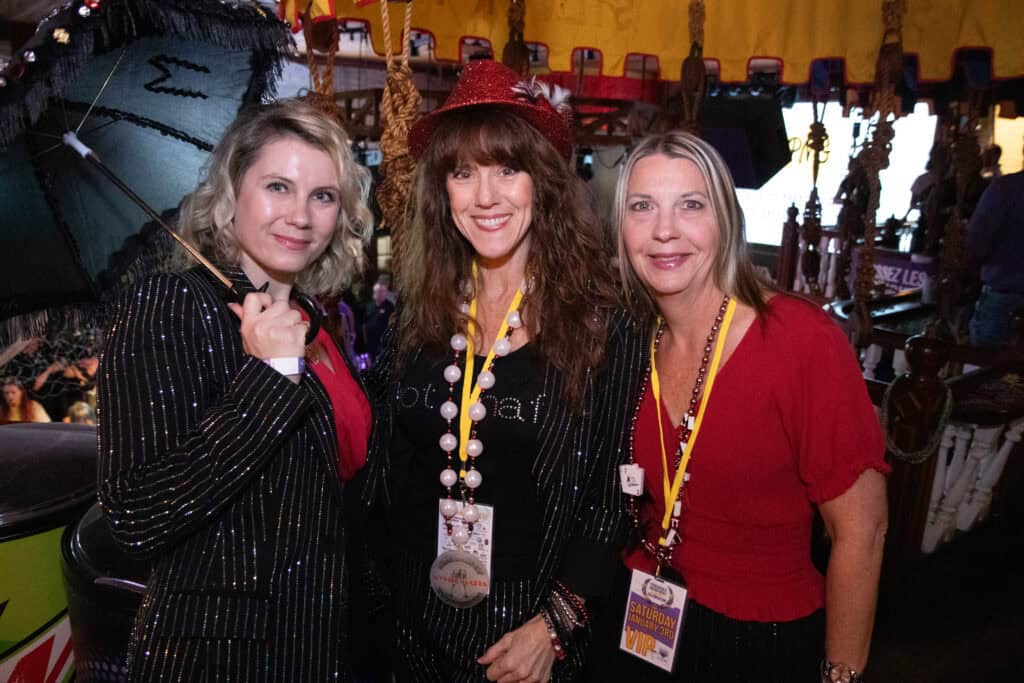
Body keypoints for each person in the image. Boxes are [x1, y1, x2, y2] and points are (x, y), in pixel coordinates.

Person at [358, 60, 645, 682]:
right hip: (411, 627)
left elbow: (612, 497)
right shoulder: (418, 311)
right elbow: (379, 461)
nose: (485, 196)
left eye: (507, 169)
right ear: (443, 192)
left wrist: (556, 624)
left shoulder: (602, 325)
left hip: (531, 640)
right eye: (463, 173)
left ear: (542, 181)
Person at [589, 131, 890, 682]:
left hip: (759, 638)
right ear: (620, 228)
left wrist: (842, 674)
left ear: (726, 220)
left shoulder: (800, 340)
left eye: (691, 205)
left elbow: (862, 532)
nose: (664, 229)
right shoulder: (631, 339)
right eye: (642, 206)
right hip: (639, 616)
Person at [97, 98, 373, 681]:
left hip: (325, 647)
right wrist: (269, 377)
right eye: (278, 187)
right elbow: (136, 514)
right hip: (225, 658)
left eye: (323, 196)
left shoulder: (313, 320)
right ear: (231, 196)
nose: (301, 215)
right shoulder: (171, 305)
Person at [965, 168, 1024, 347]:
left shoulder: (1007, 188)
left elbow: (976, 241)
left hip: (1005, 297)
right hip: (1008, 291)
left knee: (987, 361)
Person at [363, 279, 396, 360]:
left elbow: (393, 324)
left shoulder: (390, 307)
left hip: (382, 343)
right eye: (376, 291)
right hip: (369, 342)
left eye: (381, 291)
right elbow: (364, 323)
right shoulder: (369, 306)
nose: (378, 293)